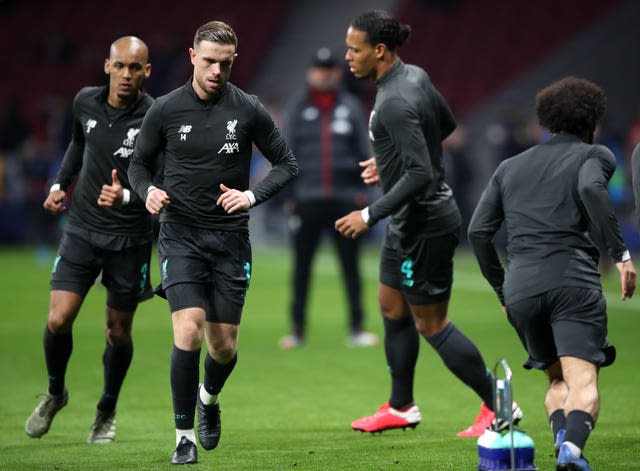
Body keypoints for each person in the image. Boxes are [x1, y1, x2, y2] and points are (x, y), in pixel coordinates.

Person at [334, 10, 521, 437]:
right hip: (406, 222)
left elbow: (420, 175)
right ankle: (401, 406)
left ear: (379, 51)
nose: (349, 56)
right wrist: (391, 162)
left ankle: (500, 406)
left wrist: (368, 214)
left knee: (430, 323)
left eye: (354, 49)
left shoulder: (395, 100)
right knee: (390, 305)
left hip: (425, 224)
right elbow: (445, 125)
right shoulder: (412, 75)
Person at [128, 20, 297, 465]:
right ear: (192, 57)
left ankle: (209, 397)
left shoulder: (249, 109)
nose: (216, 71)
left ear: (233, 61)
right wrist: (148, 191)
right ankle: (183, 436)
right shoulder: (164, 110)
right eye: (208, 62)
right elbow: (139, 164)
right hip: (180, 234)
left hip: (229, 241)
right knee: (187, 331)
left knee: (223, 347)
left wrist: (251, 195)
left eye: (224, 63)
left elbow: (286, 163)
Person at [468, 76, 636, 471]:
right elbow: (593, 191)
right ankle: (572, 453)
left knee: (556, 382)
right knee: (583, 382)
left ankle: (563, 438)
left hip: (522, 288)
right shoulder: (595, 155)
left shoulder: (509, 166)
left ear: (546, 121)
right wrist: (621, 253)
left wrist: (502, 292)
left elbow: (477, 231)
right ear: (592, 119)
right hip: (572, 281)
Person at [24, 37, 154, 444]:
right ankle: (55, 392)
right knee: (58, 319)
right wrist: (60, 183)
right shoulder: (85, 102)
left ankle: (106, 408)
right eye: (120, 67)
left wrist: (128, 196)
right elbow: (78, 143)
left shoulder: (156, 117)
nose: (126, 75)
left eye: (135, 68)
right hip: (82, 228)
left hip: (130, 238)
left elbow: (161, 182)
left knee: (117, 332)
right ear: (107, 67)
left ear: (146, 72)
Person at [279, 46, 378, 350]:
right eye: (320, 68)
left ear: (337, 72)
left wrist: (364, 193)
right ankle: (297, 330)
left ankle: (357, 328)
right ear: (312, 72)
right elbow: (284, 154)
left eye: (330, 68)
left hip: (345, 200)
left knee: (351, 267)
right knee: (301, 268)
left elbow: (365, 153)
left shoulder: (350, 107)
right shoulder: (297, 108)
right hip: (306, 199)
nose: (325, 73)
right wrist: (288, 195)